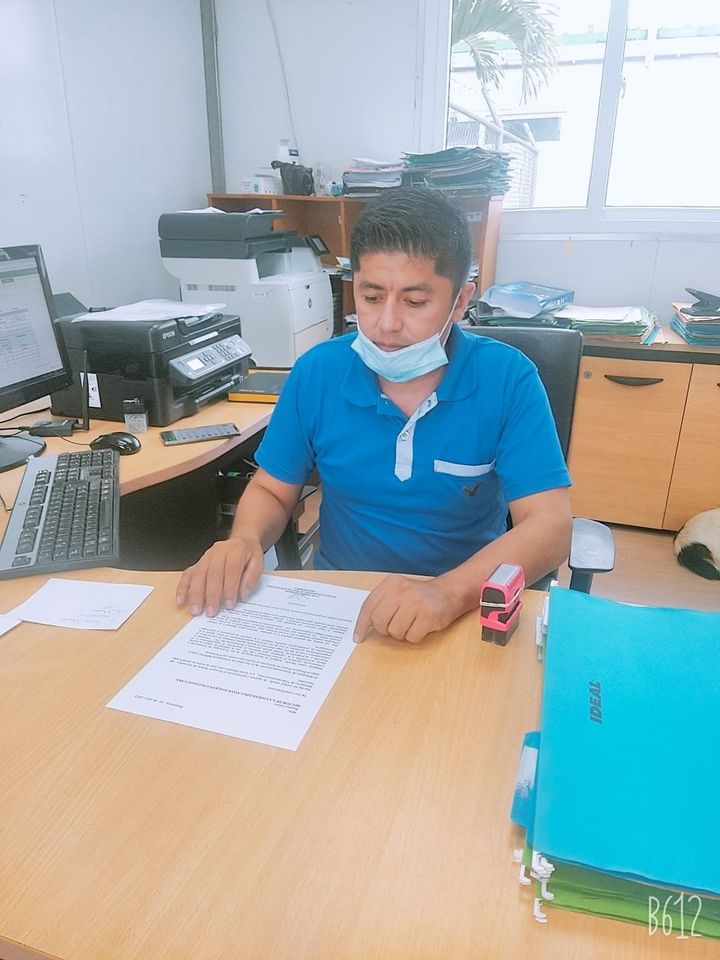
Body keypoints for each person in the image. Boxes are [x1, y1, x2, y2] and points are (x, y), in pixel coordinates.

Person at [176, 188, 572, 643]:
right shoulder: (318, 373)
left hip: (462, 606)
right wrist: (244, 539)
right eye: (371, 296)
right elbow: (271, 488)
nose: (386, 324)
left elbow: (549, 527)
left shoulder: (508, 379)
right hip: (343, 609)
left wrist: (447, 593)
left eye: (414, 302)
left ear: (460, 302)